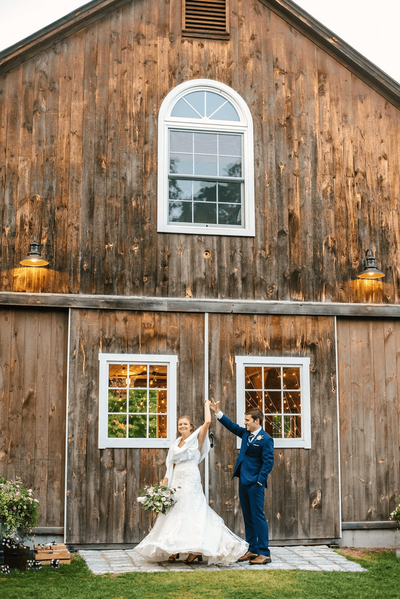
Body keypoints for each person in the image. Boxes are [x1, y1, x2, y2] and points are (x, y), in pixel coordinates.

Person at [134, 399, 248, 565]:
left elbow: (207, 421)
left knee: (191, 510)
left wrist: (207, 406)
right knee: (174, 511)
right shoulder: (175, 443)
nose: (182, 427)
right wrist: (165, 484)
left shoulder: (197, 440)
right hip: (176, 479)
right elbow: (170, 464)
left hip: (190, 478)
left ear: (191, 426)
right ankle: (173, 548)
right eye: (180, 424)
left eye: (185, 424)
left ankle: (195, 550)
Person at [210, 399, 274, 565]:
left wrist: (260, 481)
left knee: (258, 516)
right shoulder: (246, 433)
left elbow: (268, 462)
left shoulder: (266, 439)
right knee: (248, 516)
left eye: (247, 420)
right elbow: (231, 426)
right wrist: (217, 412)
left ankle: (264, 552)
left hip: (255, 484)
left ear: (256, 421)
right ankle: (253, 549)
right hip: (243, 481)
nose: (244, 423)